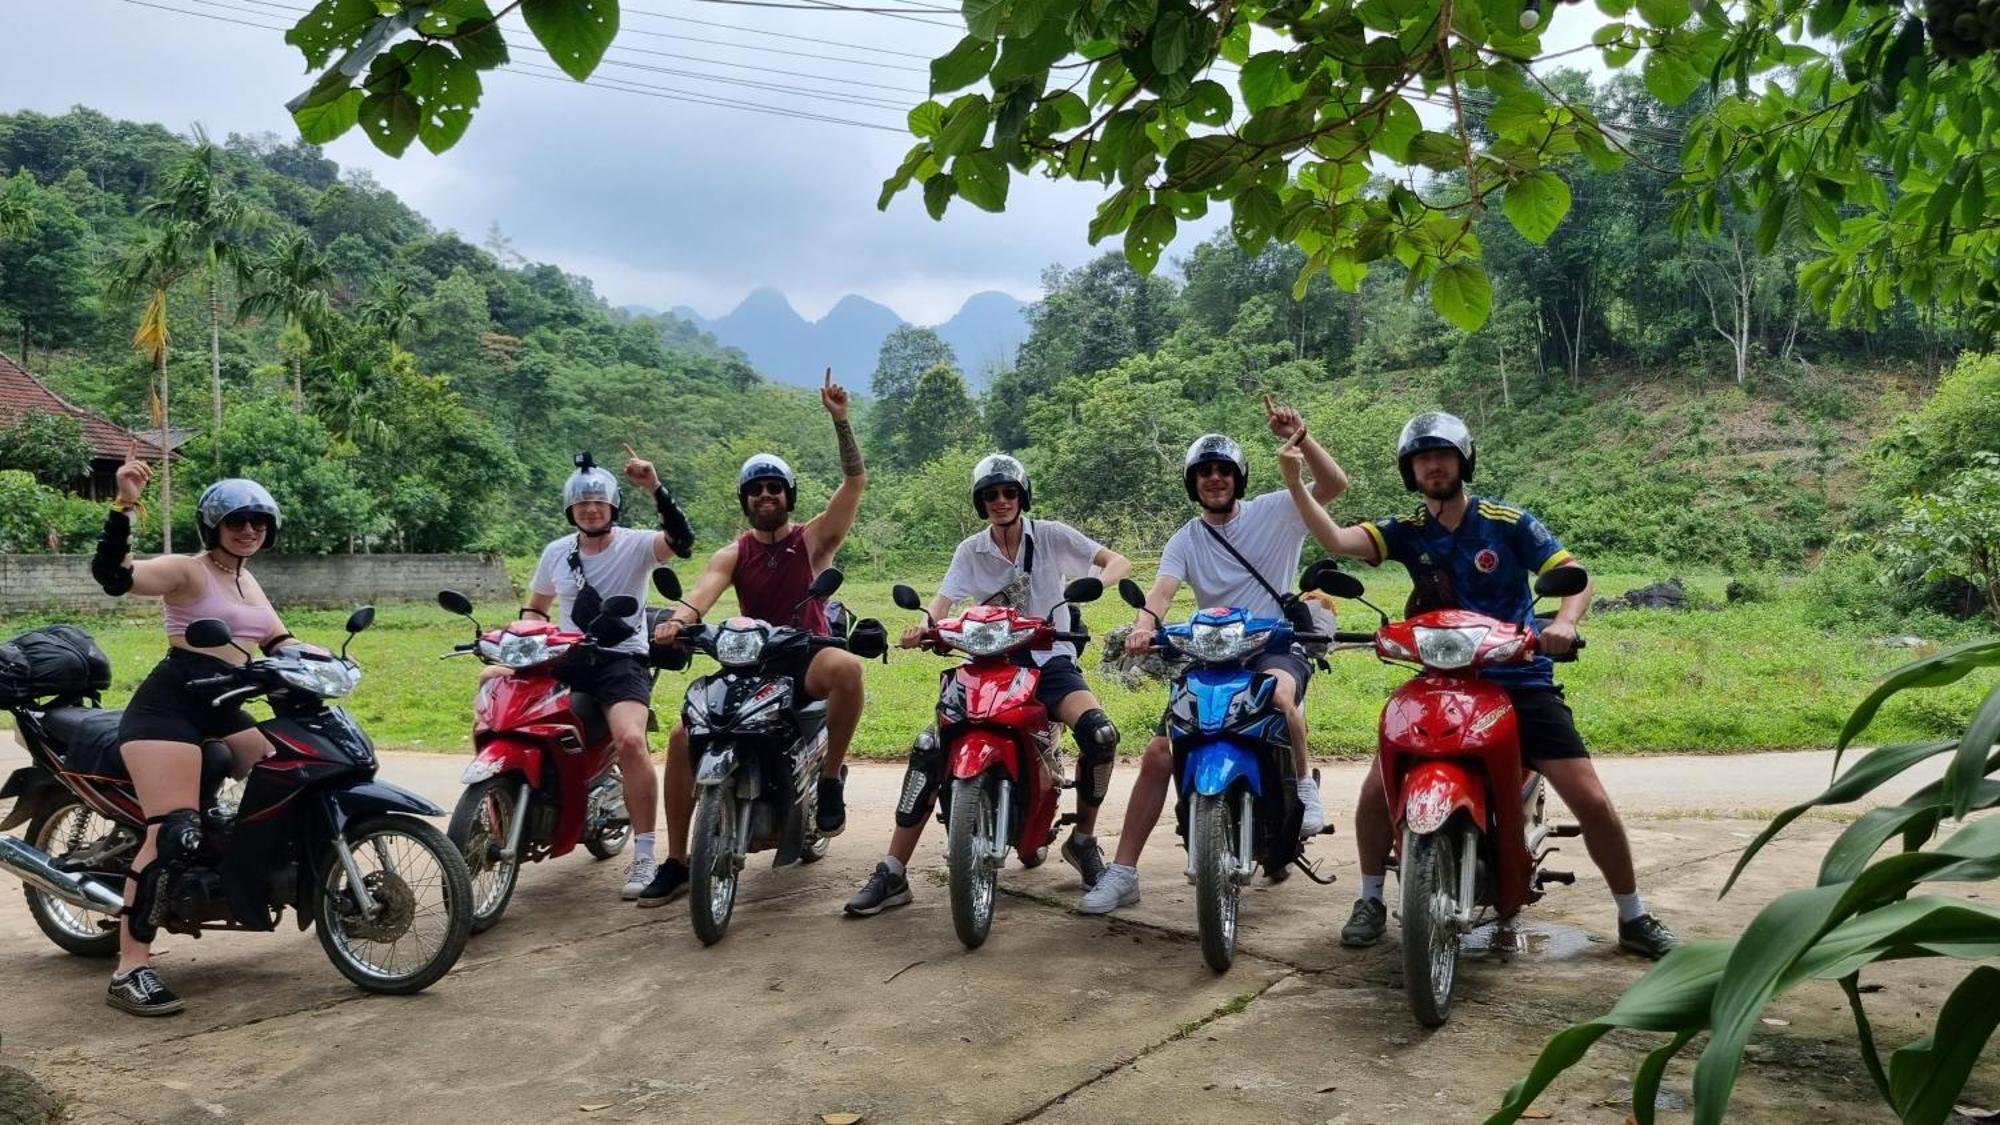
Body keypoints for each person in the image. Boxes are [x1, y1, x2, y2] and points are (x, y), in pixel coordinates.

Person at [1289, 410, 1678, 959]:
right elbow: (1334, 537)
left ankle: (1633, 913)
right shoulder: (1408, 529)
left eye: (1442, 456)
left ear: (1462, 462)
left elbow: (1575, 574)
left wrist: (1563, 624)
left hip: (1517, 677)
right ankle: (1372, 898)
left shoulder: (1507, 521)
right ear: (1410, 470)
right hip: (1437, 682)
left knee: (1589, 797)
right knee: (1378, 788)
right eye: (1422, 458)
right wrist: (1293, 476)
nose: (1433, 466)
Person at [1076, 397, 1349, 915]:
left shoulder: (1278, 508)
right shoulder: (1187, 537)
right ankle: (1124, 872)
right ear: (1192, 482)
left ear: (1239, 477)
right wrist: (1142, 626)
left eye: (1225, 471)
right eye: (1205, 472)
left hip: (1274, 645)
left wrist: (1302, 438)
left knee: (1282, 695)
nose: (1215, 479)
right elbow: (1160, 592)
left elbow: (1334, 486)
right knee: (1159, 752)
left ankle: (1306, 792)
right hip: (1212, 656)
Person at [844, 454, 1132, 915]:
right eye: (991, 495)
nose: (1001, 501)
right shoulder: (970, 550)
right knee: (929, 747)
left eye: (1009, 493)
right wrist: (924, 626)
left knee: (1100, 734)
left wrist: (1095, 584)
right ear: (981, 502)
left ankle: (1084, 840)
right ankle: (893, 870)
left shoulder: (1053, 535)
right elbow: (943, 599)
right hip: (987, 662)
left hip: (1049, 659)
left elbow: (1117, 560)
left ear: (1022, 496)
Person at [638, 369, 867, 907]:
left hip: (799, 654)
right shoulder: (734, 551)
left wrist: (841, 423)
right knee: (679, 737)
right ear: (746, 499)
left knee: (848, 670)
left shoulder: (813, 540)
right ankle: (677, 859)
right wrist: (677, 620)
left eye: (775, 488)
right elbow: (702, 593)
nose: (766, 496)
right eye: (757, 490)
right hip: (745, 658)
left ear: (788, 496)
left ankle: (830, 776)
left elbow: (855, 484)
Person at [89, 446, 299, 1015]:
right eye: (236, 520)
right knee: (173, 830)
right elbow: (116, 577)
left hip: (222, 705)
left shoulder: (249, 583)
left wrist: (329, 665)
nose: (249, 529)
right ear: (215, 525)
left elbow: (281, 643)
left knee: (292, 770)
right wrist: (124, 505)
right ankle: (130, 967)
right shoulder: (190, 570)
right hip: (170, 708)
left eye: (258, 521)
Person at [519, 445, 695, 902]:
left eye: (598, 501)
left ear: (613, 506)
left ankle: (644, 851)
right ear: (570, 509)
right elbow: (534, 609)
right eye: (582, 503)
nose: (591, 508)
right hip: (568, 661)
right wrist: (525, 637)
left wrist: (654, 486)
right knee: (518, 722)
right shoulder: (556, 553)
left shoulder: (638, 544)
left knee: (632, 742)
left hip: (622, 660)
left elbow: (682, 542)